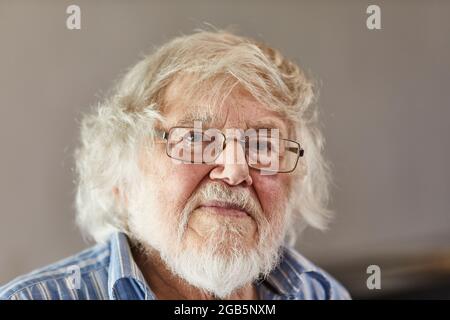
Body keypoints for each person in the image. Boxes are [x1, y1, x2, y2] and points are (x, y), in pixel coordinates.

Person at [0, 30, 350, 300]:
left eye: (262, 145)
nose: (235, 170)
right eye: (195, 139)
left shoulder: (321, 293)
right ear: (122, 173)